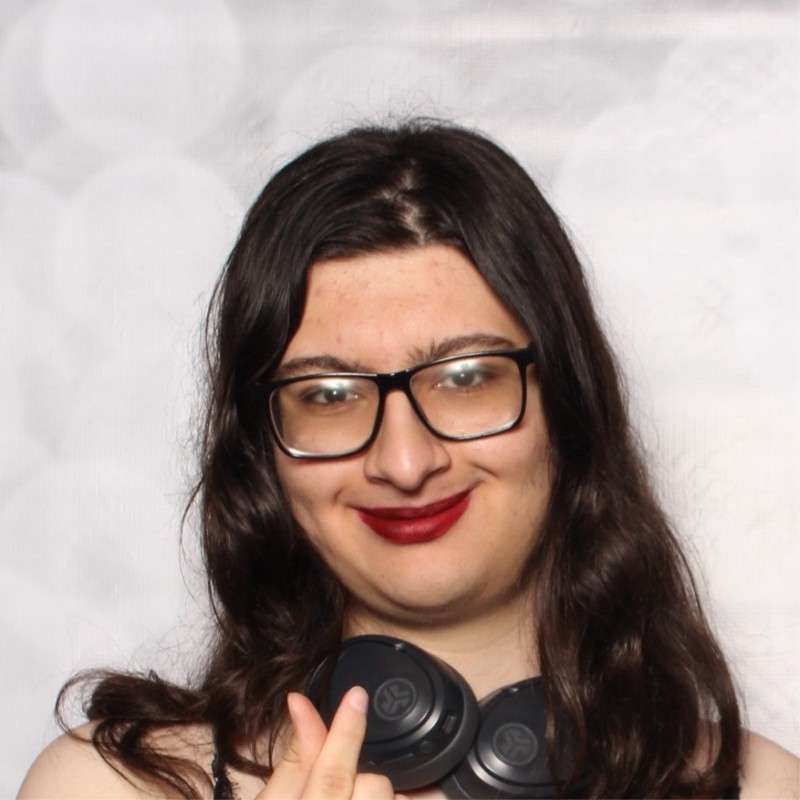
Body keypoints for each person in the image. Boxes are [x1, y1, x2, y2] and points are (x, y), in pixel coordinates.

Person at [19, 121, 799, 799]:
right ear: (261, 450)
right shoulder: (106, 787)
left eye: (464, 378)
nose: (403, 460)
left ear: (567, 404)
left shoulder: (761, 789)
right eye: (327, 394)